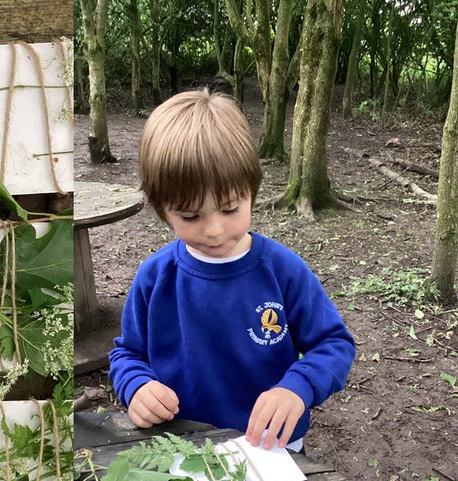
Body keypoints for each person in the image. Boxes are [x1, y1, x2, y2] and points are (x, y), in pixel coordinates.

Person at [107, 89, 356, 452]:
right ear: (163, 211)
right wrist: (137, 386)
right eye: (191, 216)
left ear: (252, 193)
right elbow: (126, 354)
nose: (214, 230)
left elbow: (334, 344)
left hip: (271, 445)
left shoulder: (283, 270)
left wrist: (297, 388)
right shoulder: (155, 277)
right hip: (183, 444)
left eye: (229, 209)